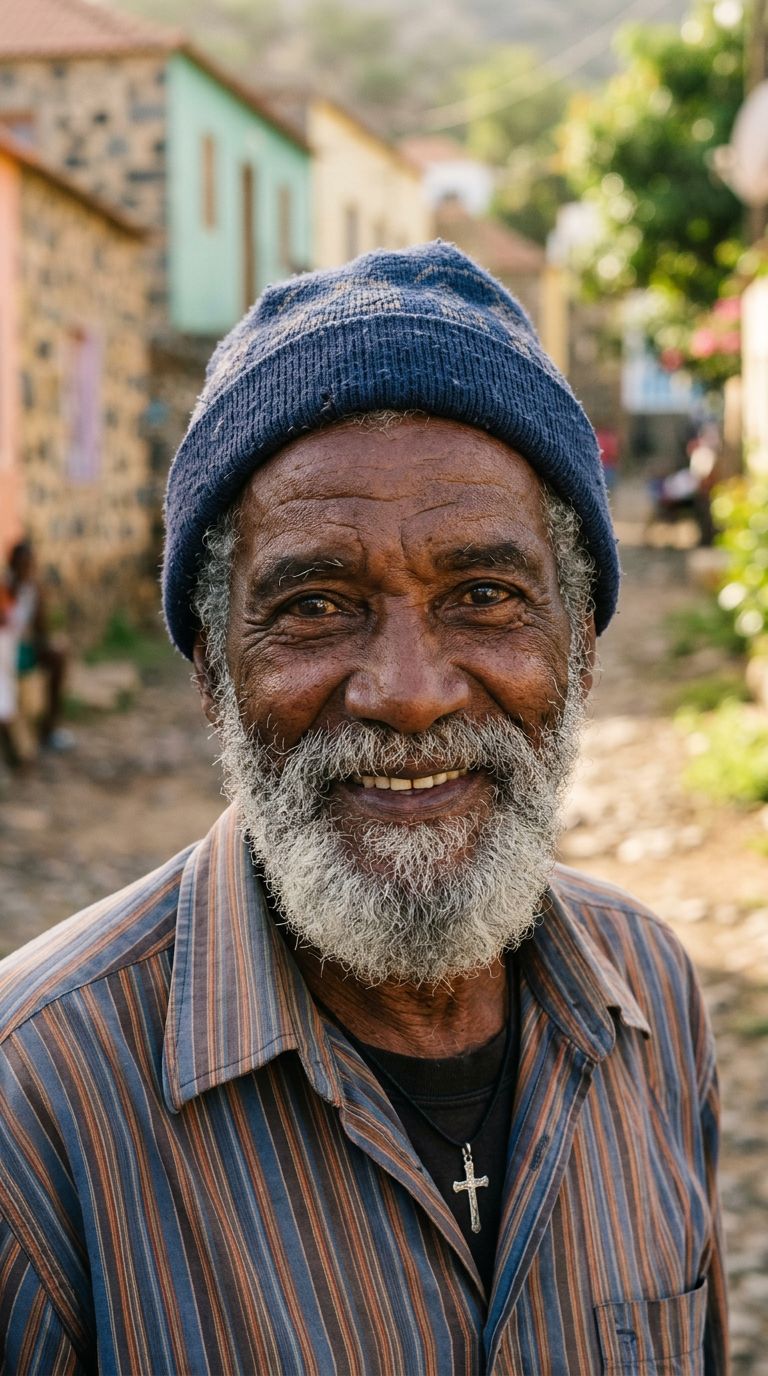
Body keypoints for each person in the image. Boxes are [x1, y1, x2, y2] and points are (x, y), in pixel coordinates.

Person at [0, 244, 727, 1374]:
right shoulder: (32, 1103)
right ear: (211, 671)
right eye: (317, 604)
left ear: (580, 646)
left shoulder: (656, 1004)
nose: (410, 690)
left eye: (483, 596)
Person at [6, 540, 73, 754]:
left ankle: (49, 727)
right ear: (13, 564)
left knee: (59, 656)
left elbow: (40, 630)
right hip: (7, 649)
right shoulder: (5, 589)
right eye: (22, 564)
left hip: (26, 649)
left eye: (29, 564)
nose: (27, 568)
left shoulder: (33, 590)